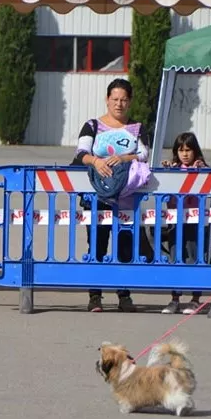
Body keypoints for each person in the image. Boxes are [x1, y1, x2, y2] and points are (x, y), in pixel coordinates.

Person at [73, 78, 153, 313]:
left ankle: (124, 295)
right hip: (96, 198)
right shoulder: (92, 126)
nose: (119, 104)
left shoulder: (138, 128)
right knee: (97, 245)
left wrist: (124, 158)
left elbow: (144, 154)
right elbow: (81, 153)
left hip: (127, 198)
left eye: (124, 100)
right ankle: (95, 296)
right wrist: (95, 161)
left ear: (130, 102)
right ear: (107, 100)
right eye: (115, 99)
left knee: (125, 247)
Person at [160, 132, 207, 314]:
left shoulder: (200, 168)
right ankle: (175, 298)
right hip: (175, 221)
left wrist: (201, 170)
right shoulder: (173, 169)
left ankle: (195, 298)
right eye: (181, 150)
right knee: (175, 257)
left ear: (195, 151)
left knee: (194, 257)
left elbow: (209, 178)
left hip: (195, 222)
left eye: (188, 150)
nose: (185, 154)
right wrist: (166, 170)